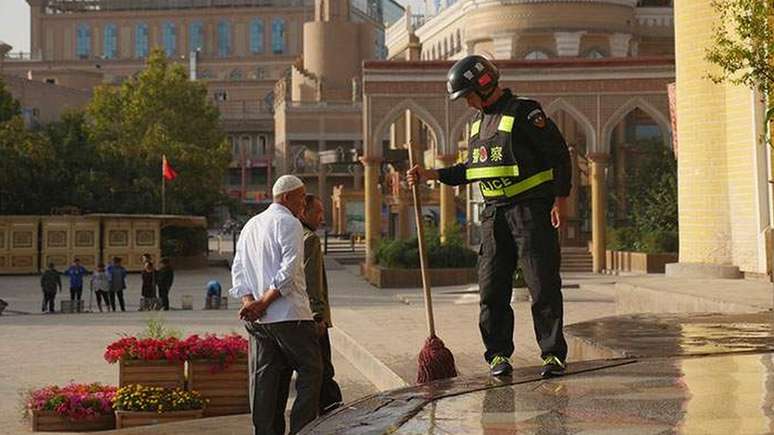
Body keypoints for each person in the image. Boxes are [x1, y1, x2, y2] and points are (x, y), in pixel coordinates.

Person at [407, 55, 572, 379]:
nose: (467, 103)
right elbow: (472, 170)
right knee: (492, 289)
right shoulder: (477, 125)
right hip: (494, 214)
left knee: (542, 285)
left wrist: (560, 201)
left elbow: (559, 156)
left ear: (484, 85)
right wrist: (431, 173)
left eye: (468, 95)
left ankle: (552, 354)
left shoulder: (526, 112)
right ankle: (498, 355)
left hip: (530, 211)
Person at [230, 175, 322, 435]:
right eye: (301, 197)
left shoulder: (251, 224)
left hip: (260, 321)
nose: (304, 203)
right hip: (290, 315)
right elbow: (289, 272)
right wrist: (261, 302)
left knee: (266, 379)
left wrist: (250, 302)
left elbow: (238, 269)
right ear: (286, 197)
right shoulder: (289, 222)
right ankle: (301, 430)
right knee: (310, 371)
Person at [299, 194, 342, 414]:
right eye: (318, 213)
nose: (322, 218)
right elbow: (311, 279)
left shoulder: (287, 234)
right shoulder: (309, 239)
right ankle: (332, 419)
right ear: (303, 212)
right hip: (311, 318)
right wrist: (318, 316)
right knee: (324, 373)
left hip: (291, 316)